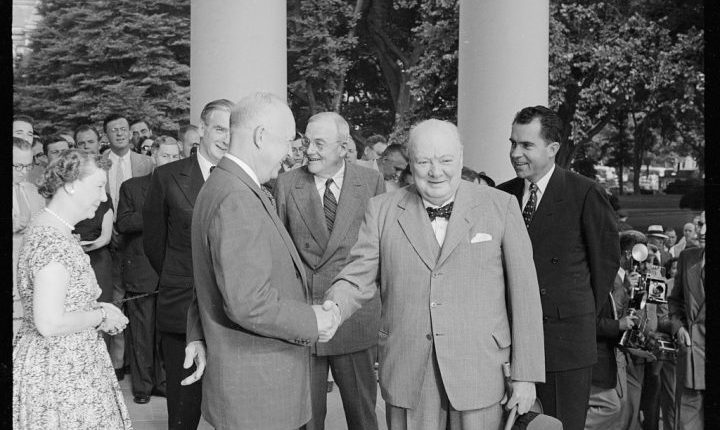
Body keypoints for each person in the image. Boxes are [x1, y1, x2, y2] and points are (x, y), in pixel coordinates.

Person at [324, 119, 545, 430]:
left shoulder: (501, 206)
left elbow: (525, 295)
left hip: (480, 369)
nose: (435, 171)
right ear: (409, 163)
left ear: (461, 158)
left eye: (445, 160)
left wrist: (526, 375)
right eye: (424, 161)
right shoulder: (382, 210)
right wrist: (333, 308)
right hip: (407, 371)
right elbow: (356, 277)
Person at [182, 93, 339, 430]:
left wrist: (197, 333)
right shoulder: (237, 197)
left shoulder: (225, 185)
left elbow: (212, 279)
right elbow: (248, 302)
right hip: (259, 392)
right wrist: (312, 321)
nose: (290, 155)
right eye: (287, 142)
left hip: (250, 384)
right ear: (260, 136)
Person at [497, 106, 619, 430]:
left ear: (553, 149)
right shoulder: (500, 195)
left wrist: (574, 317)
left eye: (526, 145)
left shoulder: (585, 193)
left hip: (564, 348)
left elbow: (605, 263)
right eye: (513, 143)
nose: (515, 153)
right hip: (508, 345)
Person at [274, 112, 385, 430]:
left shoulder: (371, 180)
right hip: (305, 317)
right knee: (306, 419)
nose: (309, 150)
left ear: (343, 146)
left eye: (319, 143)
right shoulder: (287, 183)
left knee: (362, 415)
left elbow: (381, 251)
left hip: (354, 318)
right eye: (307, 142)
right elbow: (281, 254)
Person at [12, 149, 131, 429]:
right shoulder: (52, 240)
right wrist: (101, 316)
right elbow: (49, 323)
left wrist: (100, 309)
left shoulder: (52, 228)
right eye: (99, 186)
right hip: (59, 375)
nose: (104, 198)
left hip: (66, 364)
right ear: (71, 184)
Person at [143, 99, 234, 429]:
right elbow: (155, 244)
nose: (226, 137)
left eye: (232, 130)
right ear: (203, 129)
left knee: (234, 410)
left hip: (233, 313)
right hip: (181, 308)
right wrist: (179, 277)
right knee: (184, 411)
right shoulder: (167, 177)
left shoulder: (243, 180)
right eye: (220, 128)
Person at [117, 137, 180, 405]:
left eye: (175, 156)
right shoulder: (132, 187)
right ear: (154, 156)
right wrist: (157, 213)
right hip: (141, 271)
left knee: (165, 332)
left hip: (172, 271)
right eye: (165, 156)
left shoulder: (182, 187)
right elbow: (124, 222)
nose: (170, 161)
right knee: (142, 334)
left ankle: (162, 382)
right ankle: (142, 387)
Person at [102, 113, 155, 379]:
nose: (120, 134)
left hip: (138, 245)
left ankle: (138, 365)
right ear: (107, 135)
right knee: (116, 301)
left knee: (139, 306)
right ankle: (117, 364)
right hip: (107, 242)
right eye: (114, 130)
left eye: (124, 129)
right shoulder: (100, 164)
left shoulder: (147, 163)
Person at [584, 231, 642, 430]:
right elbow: (593, 322)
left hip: (610, 354)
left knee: (618, 407)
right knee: (614, 406)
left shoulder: (612, 281)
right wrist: (620, 325)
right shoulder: (599, 281)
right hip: (599, 357)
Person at [667, 222, 705, 430]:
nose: (704, 232)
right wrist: (678, 326)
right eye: (702, 225)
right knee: (686, 423)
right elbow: (674, 301)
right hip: (691, 355)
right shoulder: (687, 257)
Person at [13, 137, 46, 337]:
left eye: (27, 165)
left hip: (28, 278)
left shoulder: (34, 191)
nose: (24, 172)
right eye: (17, 166)